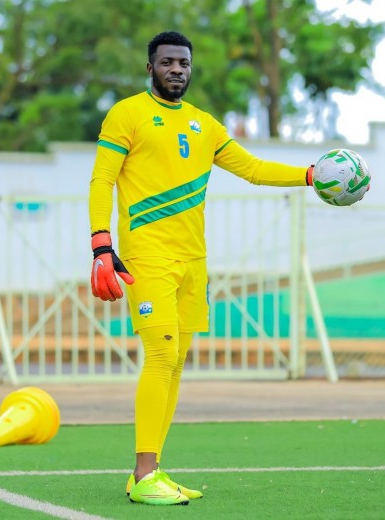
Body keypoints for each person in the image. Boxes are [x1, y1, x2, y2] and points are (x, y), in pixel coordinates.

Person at [89, 31, 314, 506]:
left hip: (194, 261)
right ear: (150, 68)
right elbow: (102, 179)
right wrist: (101, 245)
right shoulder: (127, 114)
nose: (177, 69)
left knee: (175, 364)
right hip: (147, 256)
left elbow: (253, 169)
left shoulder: (204, 125)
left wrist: (310, 176)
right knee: (161, 355)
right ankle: (145, 474)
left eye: (184, 63)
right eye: (167, 62)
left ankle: (148, 471)